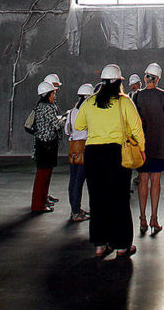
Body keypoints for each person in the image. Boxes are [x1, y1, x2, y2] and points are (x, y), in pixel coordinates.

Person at [74, 64, 145, 258]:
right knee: (120, 200)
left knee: (97, 199)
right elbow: (137, 129)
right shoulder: (124, 102)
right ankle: (122, 246)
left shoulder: (89, 102)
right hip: (116, 154)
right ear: (119, 83)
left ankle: (99, 245)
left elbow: (79, 125)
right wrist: (140, 149)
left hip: (93, 155)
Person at [134, 62, 164, 235]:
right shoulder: (163, 95)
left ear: (145, 77)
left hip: (142, 144)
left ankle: (142, 218)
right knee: (155, 181)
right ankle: (153, 219)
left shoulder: (137, 96)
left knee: (143, 180)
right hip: (158, 144)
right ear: (157, 79)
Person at [31, 78, 63, 213]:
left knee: (44, 175)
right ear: (48, 94)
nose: (54, 95)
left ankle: (42, 201)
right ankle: (38, 205)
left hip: (43, 145)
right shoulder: (47, 108)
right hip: (46, 146)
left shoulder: (40, 106)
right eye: (53, 93)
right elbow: (55, 125)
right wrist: (65, 118)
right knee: (43, 175)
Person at [64, 83, 96, 223]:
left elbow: (67, 130)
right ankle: (77, 212)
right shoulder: (88, 112)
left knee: (73, 180)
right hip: (84, 149)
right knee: (81, 181)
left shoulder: (71, 112)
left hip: (73, 149)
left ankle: (74, 210)